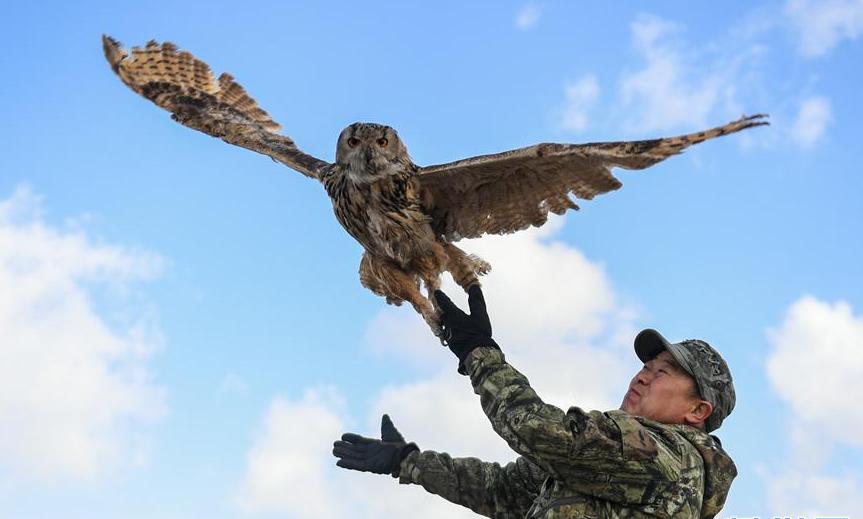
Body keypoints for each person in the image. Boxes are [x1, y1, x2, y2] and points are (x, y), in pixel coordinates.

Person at [333, 286, 737, 518]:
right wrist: (407, 460)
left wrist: (478, 352)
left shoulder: (674, 457)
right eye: (646, 364)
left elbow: (539, 431)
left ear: (697, 411)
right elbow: (502, 490)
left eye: (663, 371)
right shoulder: (610, 461)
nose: (643, 373)